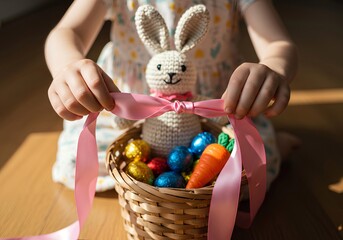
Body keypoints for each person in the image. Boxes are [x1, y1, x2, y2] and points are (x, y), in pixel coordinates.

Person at [45, 0, 300, 192]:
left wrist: (275, 68)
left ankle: (276, 144)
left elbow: (278, 43)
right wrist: (68, 66)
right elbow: (67, 32)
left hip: (212, 109)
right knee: (79, 164)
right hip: (129, 106)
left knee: (251, 168)